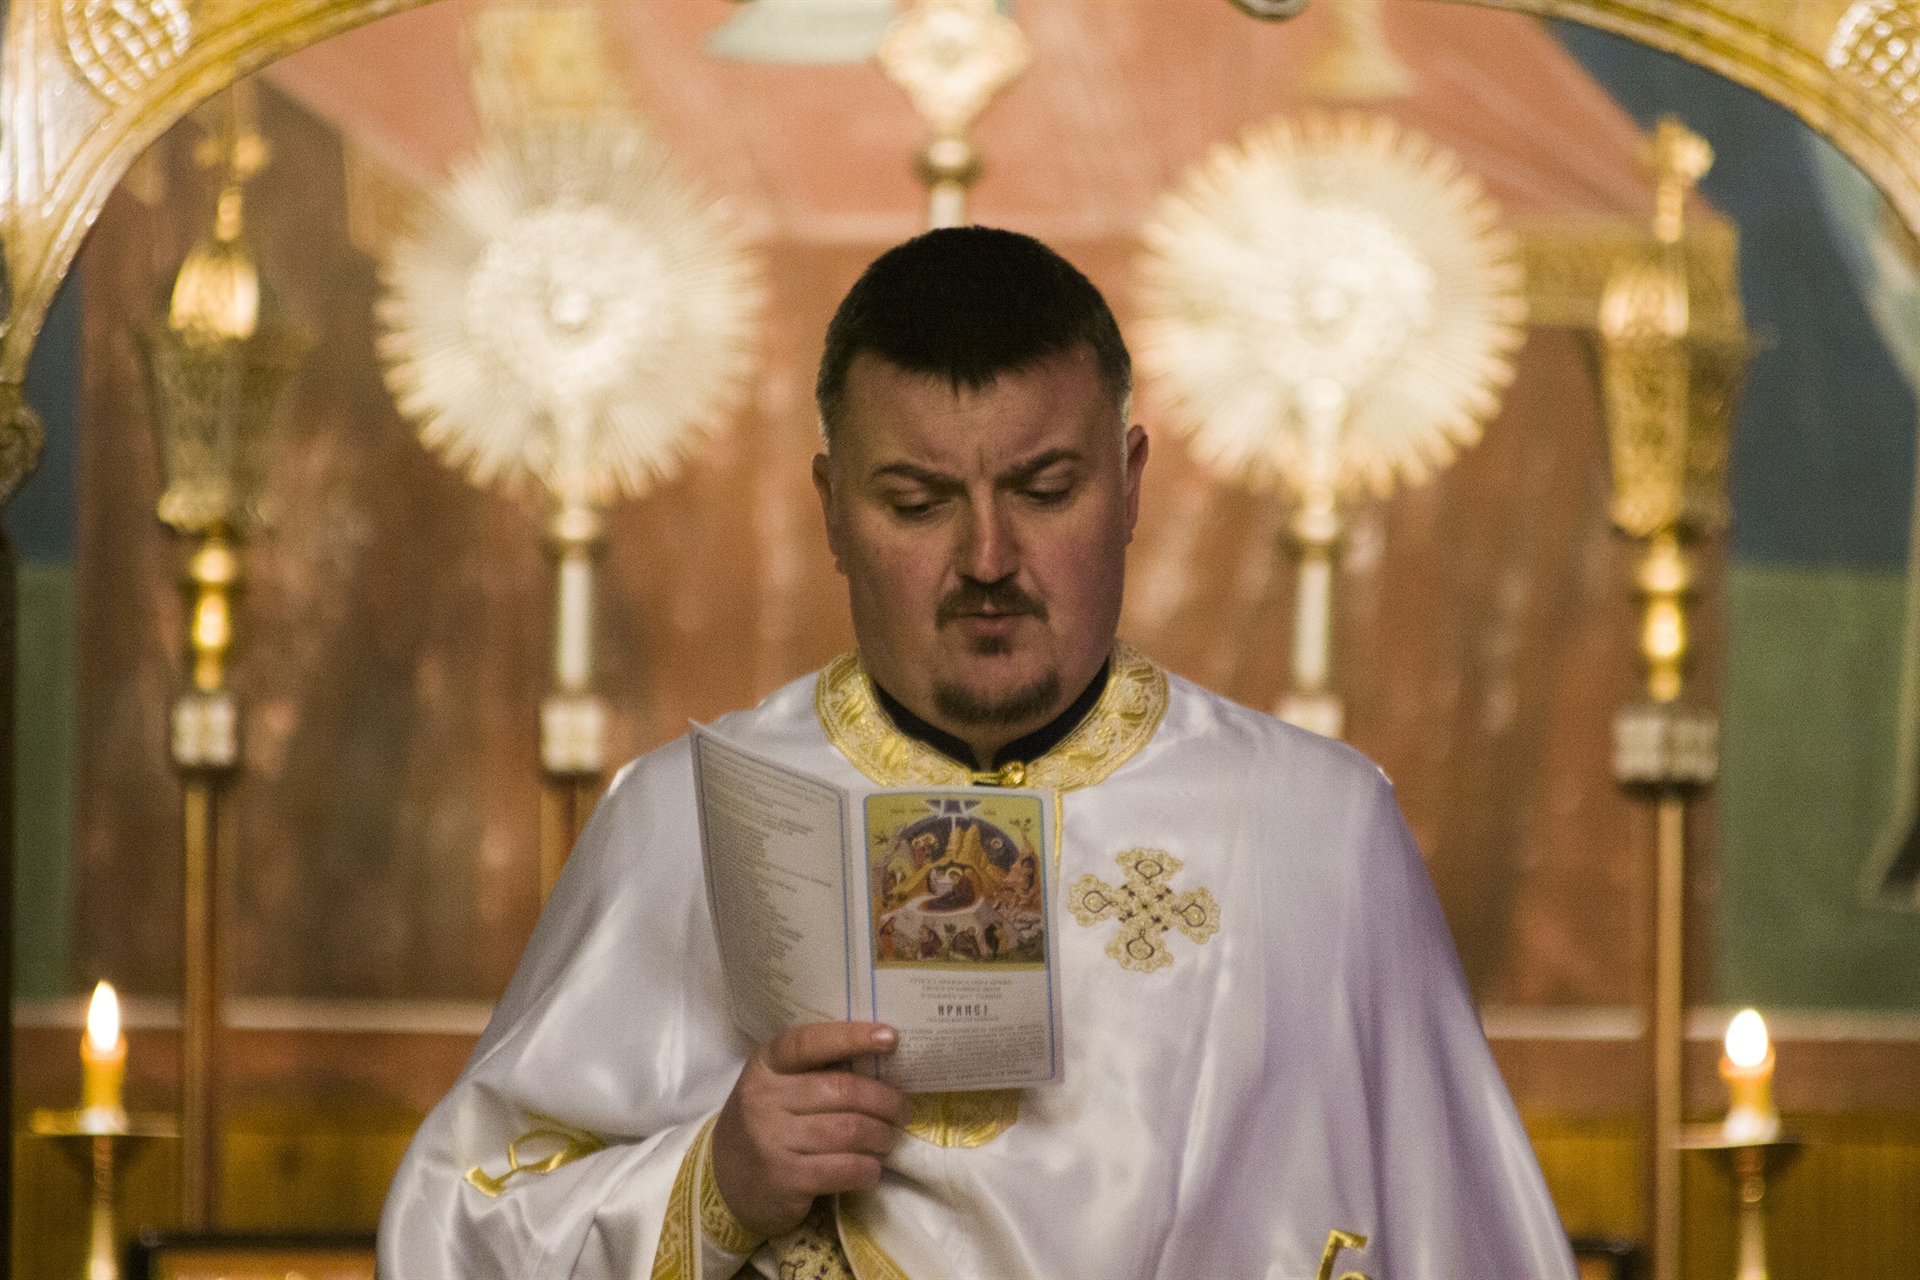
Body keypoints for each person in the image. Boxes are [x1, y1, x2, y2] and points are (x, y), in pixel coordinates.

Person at [378, 227, 1577, 1279]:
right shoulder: (681, 816)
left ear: (1129, 483)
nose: (989, 559)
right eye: (917, 501)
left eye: (1045, 490)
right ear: (832, 505)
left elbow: (1469, 1240)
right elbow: (458, 1229)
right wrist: (717, 1180)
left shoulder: (1317, 827)